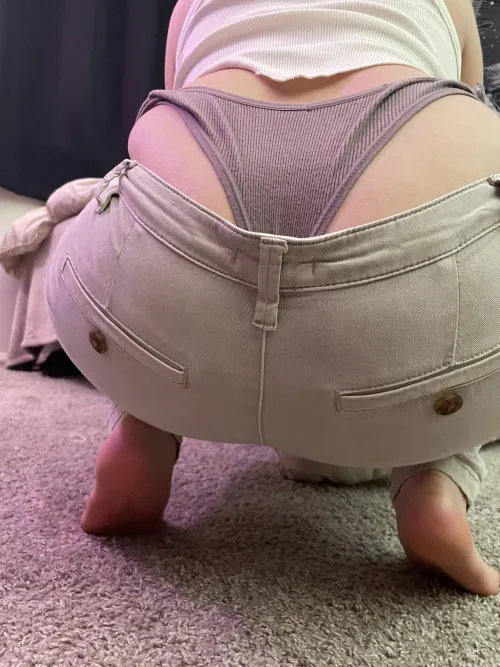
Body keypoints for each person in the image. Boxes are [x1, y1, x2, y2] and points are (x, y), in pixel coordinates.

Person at [46, 0, 500, 596]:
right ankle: (435, 478)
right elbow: (471, 109)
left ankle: (145, 426)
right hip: (403, 280)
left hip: (168, 282)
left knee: (157, 229)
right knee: (466, 251)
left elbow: (176, 97)